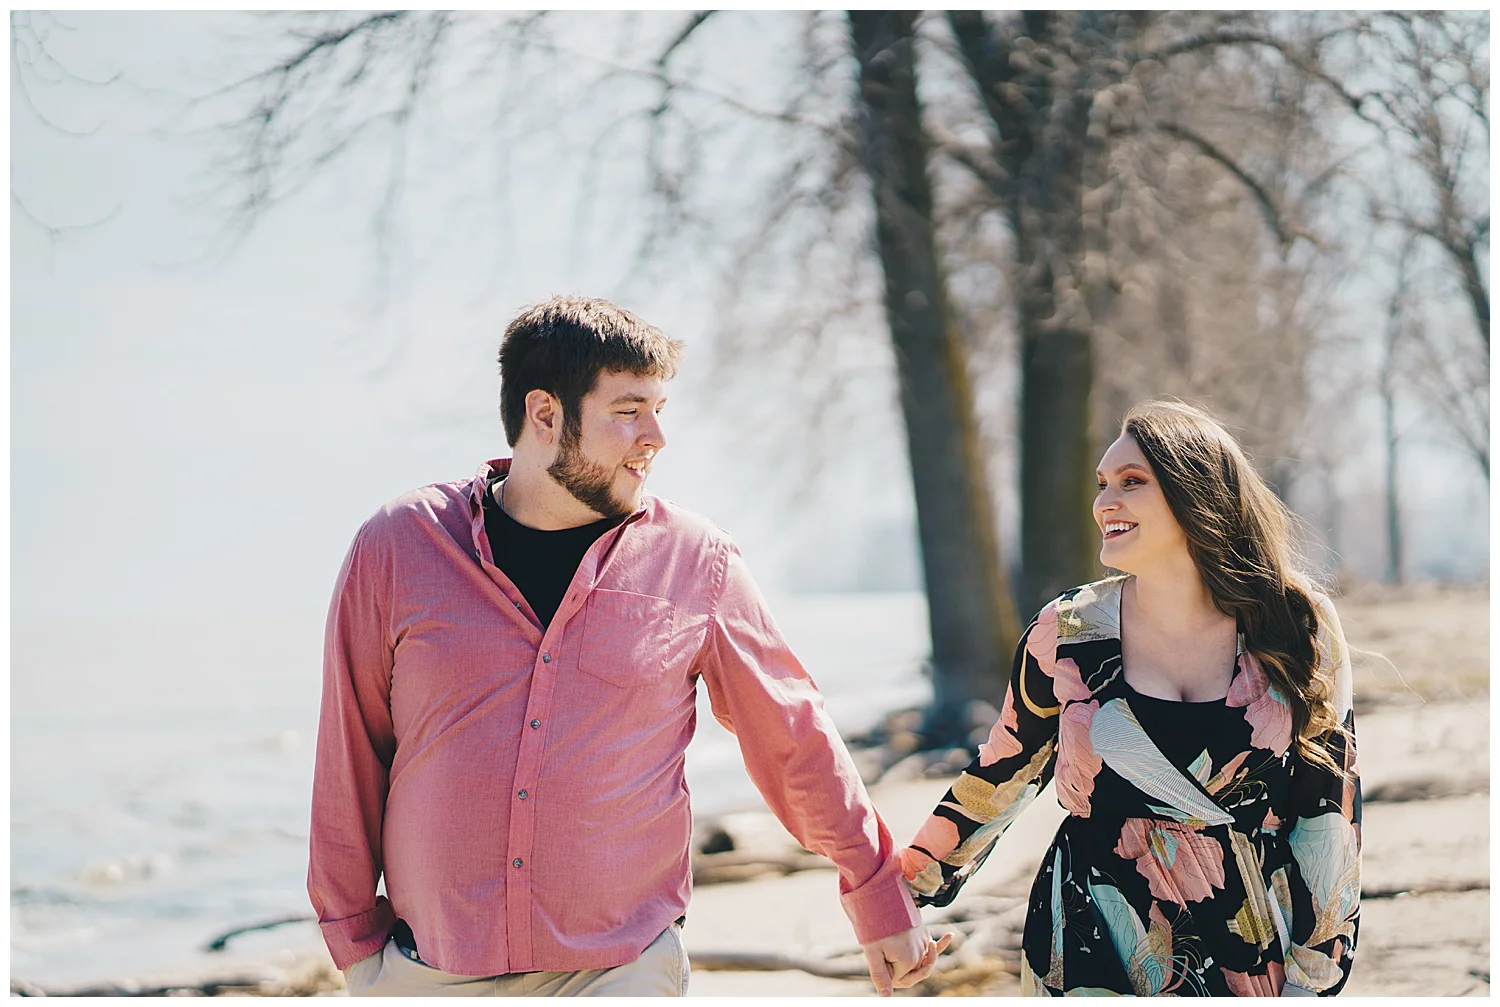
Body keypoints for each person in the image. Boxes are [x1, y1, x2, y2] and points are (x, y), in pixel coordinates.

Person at [310, 295, 946, 997]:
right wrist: (356, 949)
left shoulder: (696, 560)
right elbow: (350, 752)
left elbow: (791, 735)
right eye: (628, 409)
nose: (655, 437)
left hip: (621, 967)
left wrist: (875, 887)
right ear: (545, 414)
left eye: (659, 408)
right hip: (429, 972)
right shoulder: (400, 545)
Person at [900, 399, 1361, 997]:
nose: (1104, 503)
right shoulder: (1066, 632)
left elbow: (1330, 816)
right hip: (1094, 930)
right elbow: (1000, 777)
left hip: (1247, 937)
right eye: (1101, 484)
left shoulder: (1295, 623)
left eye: (1131, 482)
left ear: (1195, 493)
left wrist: (1316, 978)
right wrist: (897, 896)